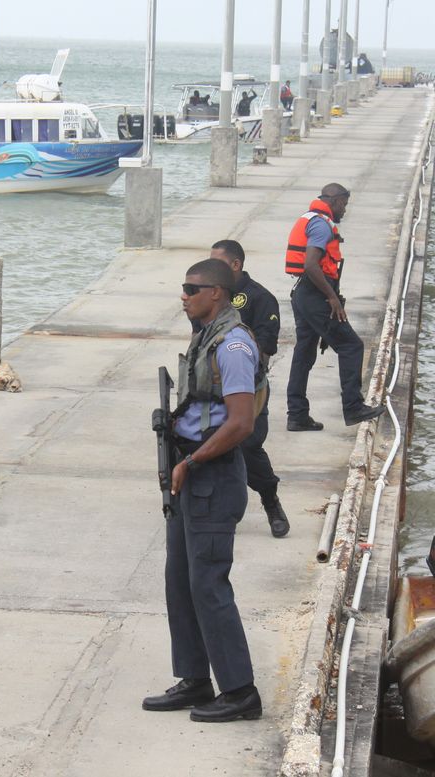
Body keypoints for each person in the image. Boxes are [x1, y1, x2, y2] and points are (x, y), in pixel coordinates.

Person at [142, 258, 262, 723]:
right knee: (181, 581)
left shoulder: (232, 345)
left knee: (209, 583)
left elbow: (241, 422)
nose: (184, 295)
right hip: (190, 470)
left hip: (210, 473)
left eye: (193, 288)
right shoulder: (204, 335)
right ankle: (194, 679)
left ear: (217, 293)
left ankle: (240, 691)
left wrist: (191, 461)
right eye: (183, 287)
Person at [285, 183, 385, 431]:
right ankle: (353, 407)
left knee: (304, 352)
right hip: (315, 293)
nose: (344, 210)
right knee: (351, 345)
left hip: (304, 293)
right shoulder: (321, 224)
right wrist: (331, 298)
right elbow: (311, 264)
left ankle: (297, 415)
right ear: (336, 200)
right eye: (344, 205)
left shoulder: (310, 218)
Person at [209, 240, 289, 538]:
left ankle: (271, 500)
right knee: (205, 442)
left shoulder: (260, 298)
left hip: (248, 387)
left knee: (248, 444)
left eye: (217, 262)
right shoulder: (211, 296)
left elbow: (268, 345)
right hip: (212, 388)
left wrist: (238, 354)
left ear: (235, 265)